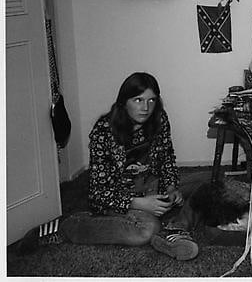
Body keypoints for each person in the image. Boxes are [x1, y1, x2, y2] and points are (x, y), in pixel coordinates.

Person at [17, 72, 200, 260]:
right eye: (138, 100)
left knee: (208, 180)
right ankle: (70, 226)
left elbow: (167, 157)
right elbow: (98, 191)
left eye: (151, 100)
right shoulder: (104, 130)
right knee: (146, 229)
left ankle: (176, 229)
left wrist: (171, 187)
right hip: (121, 198)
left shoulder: (159, 119)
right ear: (123, 101)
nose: (146, 107)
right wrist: (138, 203)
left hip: (154, 189)